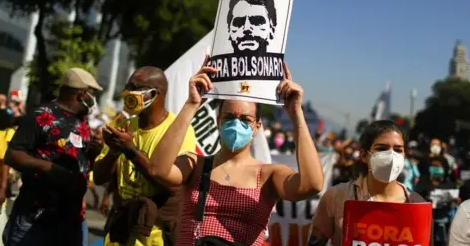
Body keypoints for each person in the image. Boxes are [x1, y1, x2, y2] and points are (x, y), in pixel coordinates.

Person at [143, 61, 323, 245]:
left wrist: (295, 114)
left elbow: (312, 185)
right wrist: (192, 104)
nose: (236, 124)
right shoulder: (195, 164)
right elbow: (158, 169)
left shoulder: (269, 175)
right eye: (229, 117)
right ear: (218, 122)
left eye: (245, 119)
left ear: (256, 127)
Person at [93, 66, 196, 246]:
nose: (128, 93)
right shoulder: (122, 123)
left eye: (135, 88)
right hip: (121, 232)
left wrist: (130, 151)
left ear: (155, 94)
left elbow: (172, 185)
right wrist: (113, 151)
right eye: (128, 86)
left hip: (154, 236)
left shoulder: (177, 130)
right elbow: (100, 177)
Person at [2, 67, 103, 246]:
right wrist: (48, 168)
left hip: (71, 219)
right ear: (81, 94)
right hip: (35, 217)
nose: (93, 99)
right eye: (91, 94)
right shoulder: (41, 116)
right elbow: (12, 155)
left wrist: (93, 153)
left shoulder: (82, 120)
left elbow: (82, 163)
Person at [308, 120, 428, 245]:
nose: (391, 156)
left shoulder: (417, 204)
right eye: (382, 149)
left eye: (398, 150)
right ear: (364, 155)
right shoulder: (337, 196)